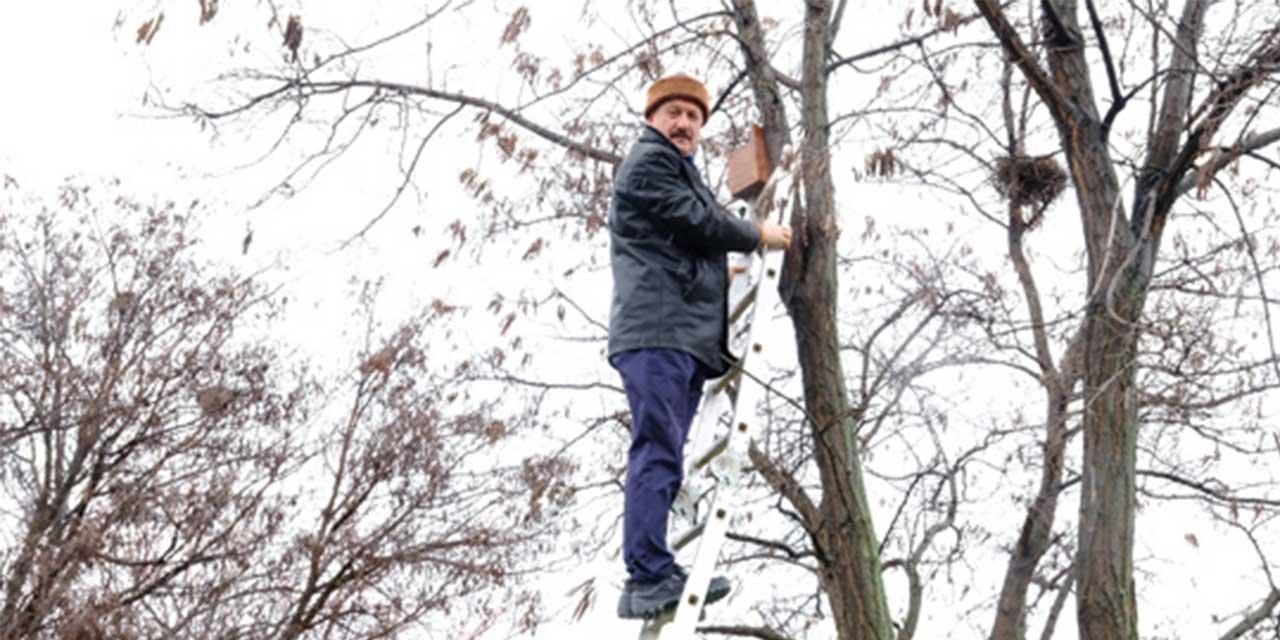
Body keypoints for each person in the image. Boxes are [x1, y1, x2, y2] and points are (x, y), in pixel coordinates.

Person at [608, 73, 792, 619]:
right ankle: (647, 575)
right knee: (657, 452)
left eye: (693, 117)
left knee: (663, 452)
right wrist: (757, 235)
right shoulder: (649, 164)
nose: (685, 124)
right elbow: (696, 221)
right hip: (658, 333)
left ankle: (652, 568)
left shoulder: (676, 169)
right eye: (674, 115)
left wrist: (729, 265)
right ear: (652, 120)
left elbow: (686, 239)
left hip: (675, 336)